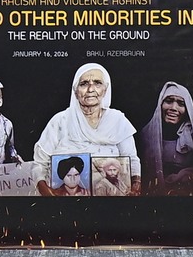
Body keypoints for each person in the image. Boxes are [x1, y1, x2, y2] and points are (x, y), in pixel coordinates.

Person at [33, 63, 140, 194]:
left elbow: (132, 159)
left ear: (105, 89)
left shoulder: (117, 120)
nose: (90, 89)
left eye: (97, 83)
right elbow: (39, 163)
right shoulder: (61, 120)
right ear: (75, 91)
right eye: (84, 84)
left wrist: (136, 183)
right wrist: (45, 191)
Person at [137, 81, 193, 194]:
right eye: (169, 101)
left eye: (181, 104)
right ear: (160, 104)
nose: (174, 108)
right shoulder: (146, 135)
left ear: (187, 109)